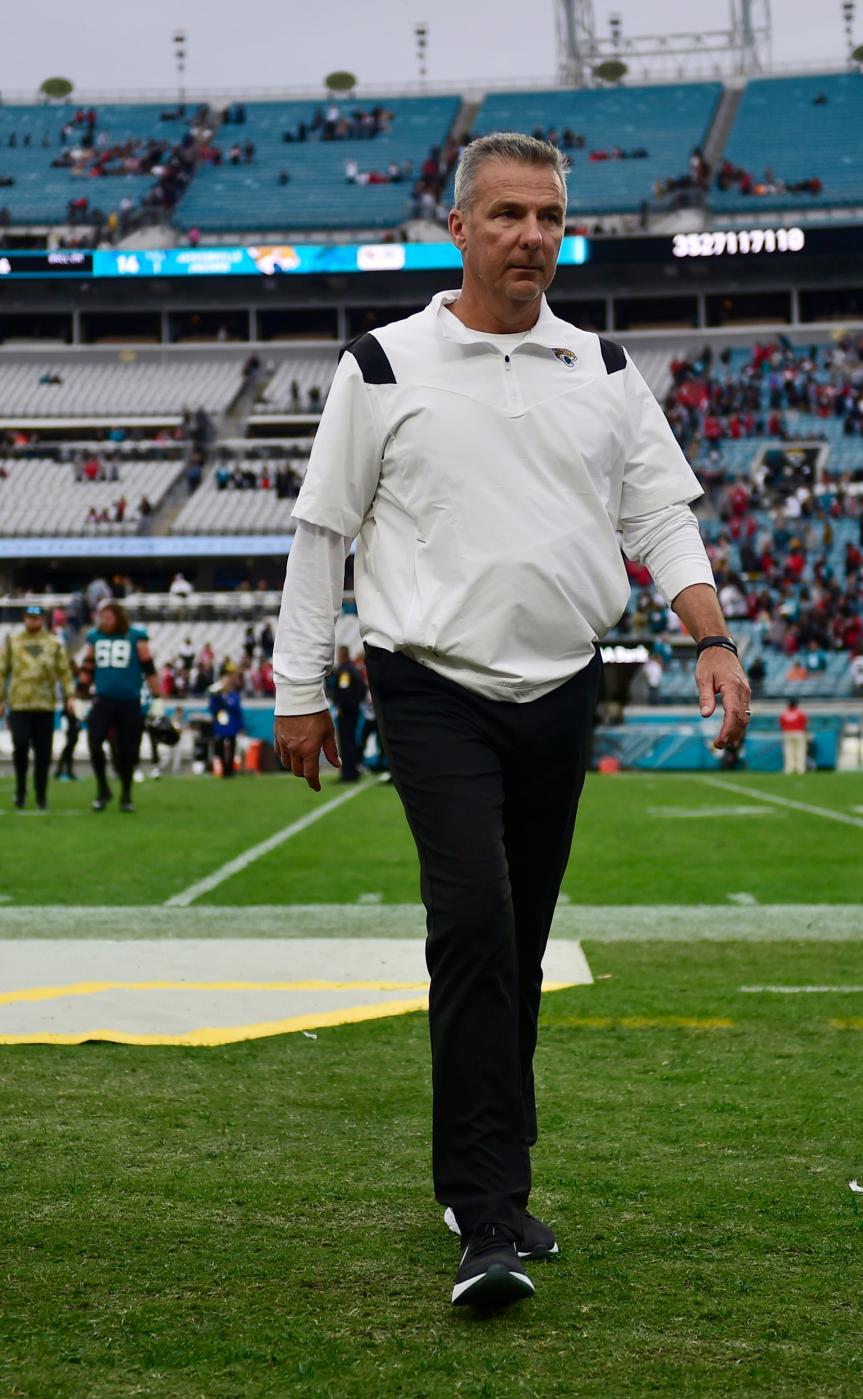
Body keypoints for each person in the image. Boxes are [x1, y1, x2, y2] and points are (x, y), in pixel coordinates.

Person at [272, 132, 750, 1310]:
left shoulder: (603, 364)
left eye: (548, 217)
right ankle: (485, 1212)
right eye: (507, 216)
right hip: (429, 682)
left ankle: (488, 1173)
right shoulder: (382, 365)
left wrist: (713, 635)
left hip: (560, 686)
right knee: (474, 919)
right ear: (460, 227)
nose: (532, 237)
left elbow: (662, 517)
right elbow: (322, 534)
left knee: (518, 942)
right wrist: (300, 687)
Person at [80, 601, 163, 812]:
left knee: (128, 751)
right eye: (102, 617)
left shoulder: (136, 636)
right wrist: (79, 695)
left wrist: (157, 696)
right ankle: (102, 788)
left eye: (109, 617)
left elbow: (149, 668)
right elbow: (87, 667)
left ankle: (126, 794)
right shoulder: (94, 637)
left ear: (119, 617)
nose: (104, 621)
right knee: (94, 740)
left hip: (129, 701)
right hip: (103, 699)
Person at [0, 605, 75, 811]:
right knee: (21, 746)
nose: (33, 621)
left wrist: (70, 696)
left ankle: (41, 794)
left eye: (37, 618)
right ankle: (21, 789)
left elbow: (64, 672)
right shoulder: (12, 642)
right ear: (24, 618)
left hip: (45, 705)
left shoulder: (54, 644)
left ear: (43, 619)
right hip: (19, 705)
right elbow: (1, 671)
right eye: (29, 618)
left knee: (43, 753)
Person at [324, 645, 366, 782]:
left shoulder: (344, 672)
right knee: (351, 742)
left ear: (342, 655)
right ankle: (353, 772)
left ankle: (348, 774)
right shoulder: (353, 669)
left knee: (346, 743)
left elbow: (344, 690)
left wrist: (342, 706)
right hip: (353, 711)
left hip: (347, 712)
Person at [209, 670, 244, 777]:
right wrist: (216, 697)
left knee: (232, 748)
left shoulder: (234, 696)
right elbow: (213, 709)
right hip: (220, 726)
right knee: (219, 748)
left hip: (232, 726)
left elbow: (237, 711)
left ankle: (230, 769)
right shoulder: (216, 696)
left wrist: (241, 725)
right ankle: (223, 768)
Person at [780, 696, 808, 774]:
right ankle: (800, 770)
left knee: (788, 752)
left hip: (787, 733)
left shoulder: (784, 713)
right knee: (800, 751)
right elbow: (804, 724)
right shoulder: (800, 713)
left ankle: (789, 769)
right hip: (799, 733)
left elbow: (782, 724)